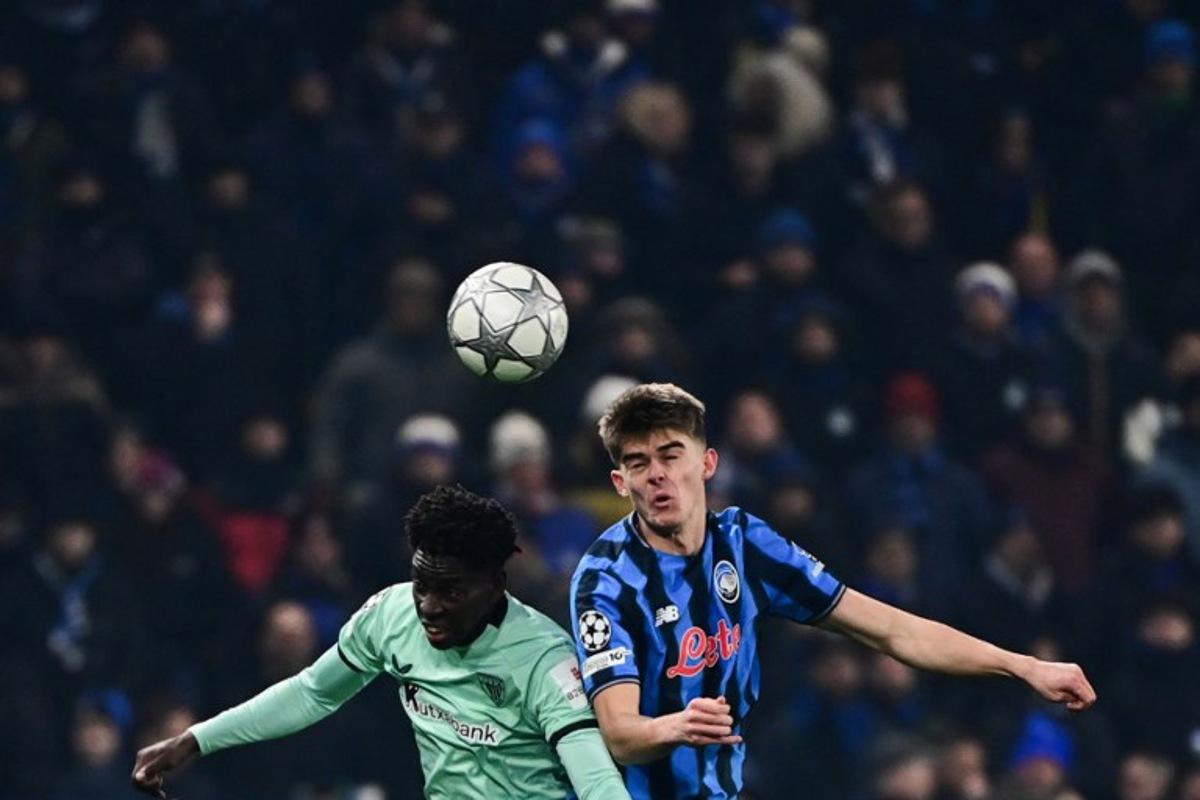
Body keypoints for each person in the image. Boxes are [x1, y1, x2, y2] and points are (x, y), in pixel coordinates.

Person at [569, 383, 1096, 799]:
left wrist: (1024, 666)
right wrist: (674, 727)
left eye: (670, 455)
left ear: (706, 463)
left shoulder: (745, 544)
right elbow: (620, 732)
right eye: (639, 464)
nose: (657, 476)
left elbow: (894, 631)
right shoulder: (605, 580)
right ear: (621, 483)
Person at [132, 485, 630, 800]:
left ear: (496, 585)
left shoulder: (545, 660)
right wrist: (198, 739)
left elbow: (597, 781)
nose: (429, 606)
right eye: (422, 585)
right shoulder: (392, 614)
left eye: (450, 591)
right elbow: (313, 691)